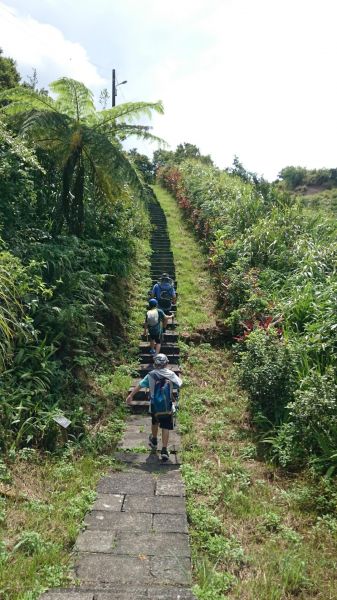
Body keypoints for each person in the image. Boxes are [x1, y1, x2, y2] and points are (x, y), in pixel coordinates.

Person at [126, 353, 182, 461]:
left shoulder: (151, 375)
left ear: (155, 364)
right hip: (167, 405)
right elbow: (179, 384)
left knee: (155, 422)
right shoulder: (170, 374)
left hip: (154, 405)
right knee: (166, 427)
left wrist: (130, 396)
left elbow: (140, 385)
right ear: (166, 363)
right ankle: (164, 450)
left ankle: (154, 439)